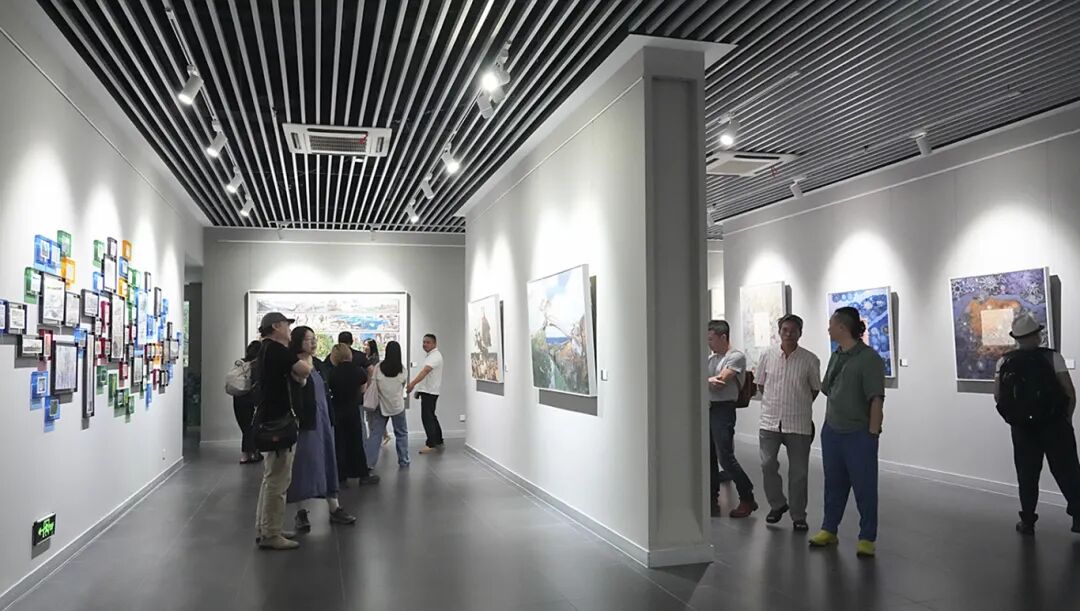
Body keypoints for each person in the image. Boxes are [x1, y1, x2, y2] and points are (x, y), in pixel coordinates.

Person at [993, 312, 1080, 535]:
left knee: (1027, 474)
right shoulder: (1052, 358)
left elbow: (998, 396)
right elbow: (1069, 392)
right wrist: (1067, 419)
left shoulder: (1004, 361)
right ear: (1036, 335)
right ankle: (1078, 516)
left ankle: (1028, 521)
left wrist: (1015, 418)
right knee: (1067, 471)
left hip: (1022, 428)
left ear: (1017, 338)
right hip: (1055, 425)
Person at [809, 307, 886, 558]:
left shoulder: (869, 359)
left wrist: (872, 432)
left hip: (859, 433)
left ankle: (867, 537)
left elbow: (876, 398)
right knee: (833, 484)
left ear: (842, 327)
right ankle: (829, 528)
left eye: (831, 325)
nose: (828, 329)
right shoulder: (837, 355)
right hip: (832, 430)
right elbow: (826, 388)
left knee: (865, 487)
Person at [285, 328, 358, 533]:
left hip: (324, 420)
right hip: (305, 423)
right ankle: (301, 512)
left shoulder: (318, 364)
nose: (313, 343)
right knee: (302, 465)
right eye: (308, 339)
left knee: (328, 460)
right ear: (298, 342)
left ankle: (334, 507)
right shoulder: (293, 365)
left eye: (314, 339)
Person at [253, 312, 313, 551]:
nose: (289, 331)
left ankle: (266, 527)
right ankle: (271, 533)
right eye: (287, 326)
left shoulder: (264, 349)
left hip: (269, 419)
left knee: (270, 478)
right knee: (278, 480)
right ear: (276, 326)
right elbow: (304, 371)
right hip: (279, 422)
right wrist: (306, 360)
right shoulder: (278, 350)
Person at [756, 315, 821, 531]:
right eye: (785, 329)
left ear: (800, 333)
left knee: (799, 472)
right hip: (769, 421)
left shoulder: (810, 360)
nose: (789, 333)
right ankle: (777, 504)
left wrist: (796, 403)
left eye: (793, 330)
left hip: (798, 423)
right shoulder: (766, 355)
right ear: (779, 331)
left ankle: (798, 515)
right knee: (767, 465)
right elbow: (761, 385)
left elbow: (814, 389)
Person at [707, 320, 757, 518]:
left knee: (725, 457)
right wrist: (708, 380)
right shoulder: (711, 359)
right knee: (709, 456)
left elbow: (720, 381)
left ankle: (747, 495)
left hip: (723, 409)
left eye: (711, 339)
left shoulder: (735, 356)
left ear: (723, 337)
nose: (708, 343)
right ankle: (711, 498)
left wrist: (705, 380)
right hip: (709, 408)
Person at [326, 344, 380, 486]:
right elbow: (362, 387)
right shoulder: (357, 371)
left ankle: (341, 477)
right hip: (352, 409)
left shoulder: (332, 373)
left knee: (340, 443)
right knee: (356, 443)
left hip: (338, 410)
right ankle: (362, 474)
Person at [366, 340, 410, 468]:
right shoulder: (402, 370)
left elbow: (373, 383)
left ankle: (369, 463)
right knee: (401, 433)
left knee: (376, 434)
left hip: (380, 405)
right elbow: (402, 386)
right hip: (397, 406)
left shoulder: (378, 367)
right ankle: (404, 460)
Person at [408, 333, 445, 454]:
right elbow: (426, 376)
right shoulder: (430, 356)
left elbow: (425, 371)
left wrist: (412, 384)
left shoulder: (435, 356)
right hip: (428, 391)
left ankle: (431, 443)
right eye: (424, 342)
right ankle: (438, 440)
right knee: (431, 416)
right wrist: (419, 390)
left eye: (428, 342)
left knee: (427, 417)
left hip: (430, 392)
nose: (425, 344)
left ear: (434, 343)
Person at [234, 341, 263, 464]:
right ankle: (246, 455)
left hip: (238, 398)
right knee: (251, 427)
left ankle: (251, 452)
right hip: (251, 399)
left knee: (245, 427)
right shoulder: (257, 365)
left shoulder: (241, 364)